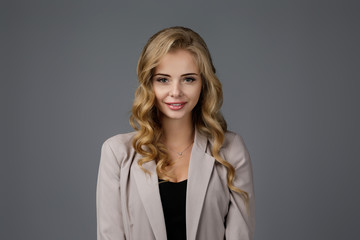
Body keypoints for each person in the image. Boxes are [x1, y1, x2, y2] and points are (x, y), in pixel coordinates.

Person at [96, 26, 255, 240]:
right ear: (149, 84)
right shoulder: (117, 153)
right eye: (163, 79)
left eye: (188, 79)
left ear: (203, 84)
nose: (176, 92)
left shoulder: (231, 150)